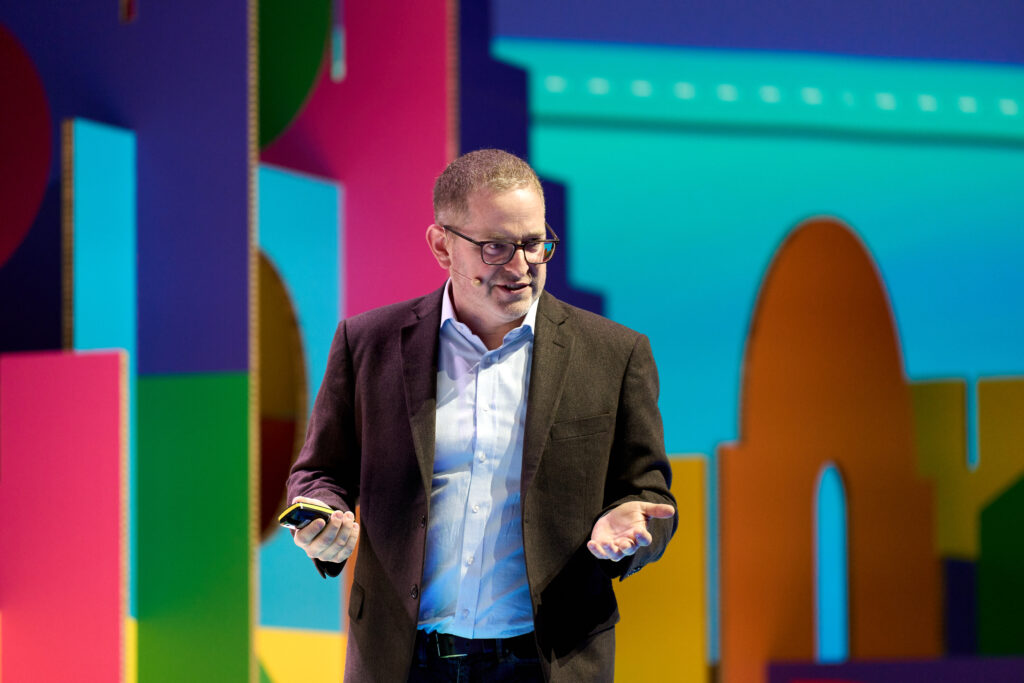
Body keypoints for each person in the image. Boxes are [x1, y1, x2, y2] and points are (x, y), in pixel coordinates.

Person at [286, 149, 677, 682]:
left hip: (549, 661)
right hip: (401, 660)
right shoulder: (368, 343)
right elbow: (320, 473)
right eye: (495, 247)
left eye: (534, 244)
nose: (520, 267)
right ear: (441, 245)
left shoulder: (615, 354)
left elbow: (650, 495)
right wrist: (322, 517)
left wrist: (633, 522)